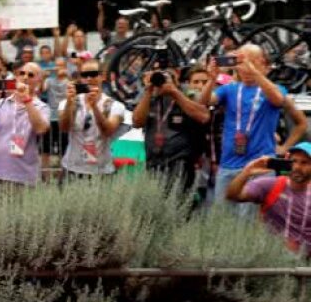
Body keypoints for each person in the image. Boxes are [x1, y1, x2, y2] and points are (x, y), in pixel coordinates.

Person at [200, 45, 306, 213]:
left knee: (249, 226)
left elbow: (278, 100)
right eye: (240, 61)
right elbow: (205, 101)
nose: (245, 66)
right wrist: (211, 78)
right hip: (228, 165)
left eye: (250, 60)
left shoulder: (274, 88)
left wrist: (284, 148)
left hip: (259, 166)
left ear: (262, 63)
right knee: (221, 222)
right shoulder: (230, 89)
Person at [132, 66, 211, 194]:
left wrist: (174, 92)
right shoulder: (149, 98)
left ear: (176, 81)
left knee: (178, 204)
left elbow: (203, 116)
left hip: (180, 163)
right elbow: (137, 122)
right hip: (154, 162)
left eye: (168, 78)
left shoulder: (187, 95)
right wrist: (148, 91)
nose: (162, 83)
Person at [0, 62, 51, 187]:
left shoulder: (42, 107)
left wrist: (27, 100)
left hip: (24, 178)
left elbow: (41, 128)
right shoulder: (0, 104)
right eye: (22, 73)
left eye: (31, 75)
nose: (25, 77)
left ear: (38, 81)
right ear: (16, 77)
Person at [226, 143, 311, 255]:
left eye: (304, 163)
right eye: (293, 161)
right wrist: (246, 172)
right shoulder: (270, 185)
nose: (297, 167)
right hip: (270, 260)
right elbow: (233, 195)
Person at [58, 59, 128, 178]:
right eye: (85, 75)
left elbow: (107, 131)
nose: (89, 78)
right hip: (72, 168)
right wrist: (70, 102)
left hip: (101, 171)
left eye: (94, 74)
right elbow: (64, 128)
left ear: (102, 76)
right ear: (80, 78)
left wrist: (94, 107)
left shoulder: (115, 105)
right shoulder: (67, 102)